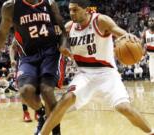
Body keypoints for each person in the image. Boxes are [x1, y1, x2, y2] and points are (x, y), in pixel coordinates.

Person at [38, 0, 154, 135]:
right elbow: (59, 43)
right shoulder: (69, 27)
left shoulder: (100, 21)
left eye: (75, 10)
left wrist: (125, 35)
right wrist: (62, 47)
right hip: (84, 75)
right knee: (65, 100)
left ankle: (151, 131)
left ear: (86, 9)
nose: (71, 13)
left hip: (107, 74)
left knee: (124, 107)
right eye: (70, 10)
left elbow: (117, 31)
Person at [0, 0, 68, 134]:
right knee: (25, 92)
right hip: (28, 56)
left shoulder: (50, 3)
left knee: (47, 90)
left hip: (50, 53)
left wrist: (64, 45)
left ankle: (56, 131)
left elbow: (63, 30)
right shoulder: (10, 6)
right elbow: (3, 32)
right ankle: (43, 116)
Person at [9, 38, 32, 122]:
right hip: (23, 62)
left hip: (36, 60)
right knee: (22, 88)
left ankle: (38, 110)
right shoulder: (18, 34)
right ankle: (26, 112)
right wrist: (12, 59)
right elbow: (12, 47)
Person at [141, 16, 154, 82]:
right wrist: (142, 55)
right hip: (151, 57)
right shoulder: (145, 33)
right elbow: (142, 46)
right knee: (153, 78)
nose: (151, 22)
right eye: (150, 21)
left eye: (152, 21)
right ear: (148, 23)